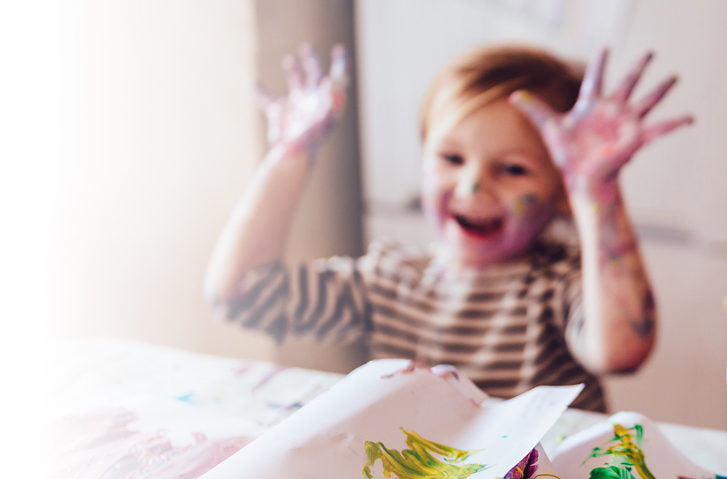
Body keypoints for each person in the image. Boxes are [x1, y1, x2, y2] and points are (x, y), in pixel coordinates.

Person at [205, 44, 691, 412]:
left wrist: (595, 188)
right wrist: (291, 154)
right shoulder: (391, 281)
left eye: (513, 169)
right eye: (451, 158)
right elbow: (241, 294)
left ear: (562, 191)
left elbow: (622, 351)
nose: (473, 184)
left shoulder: (559, 286)